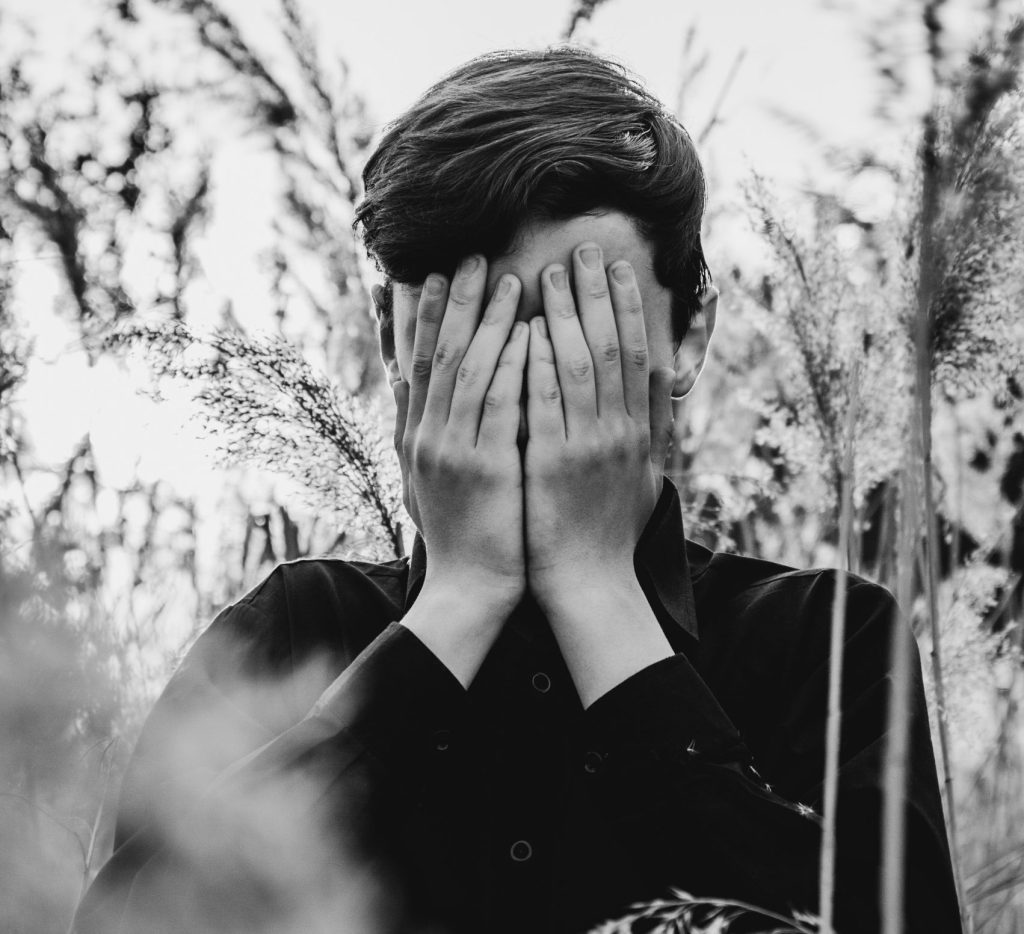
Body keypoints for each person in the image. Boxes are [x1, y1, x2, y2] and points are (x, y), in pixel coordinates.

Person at [75, 47, 962, 934]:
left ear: (687, 337)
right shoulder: (300, 628)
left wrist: (598, 588)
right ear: (395, 343)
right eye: (476, 328)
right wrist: (456, 603)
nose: (530, 376)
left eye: (582, 323)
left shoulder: (823, 643)